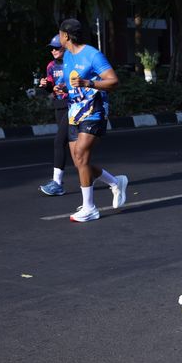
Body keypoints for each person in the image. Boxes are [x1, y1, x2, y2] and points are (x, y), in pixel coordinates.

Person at [59, 18, 128, 223]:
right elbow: (71, 83)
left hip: (94, 110)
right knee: (80, 161)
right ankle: (115, 182)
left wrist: (89, 83)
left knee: (81, 155)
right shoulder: (67, 56)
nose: (59, 37)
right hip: (75, 112)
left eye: (60, 34)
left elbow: (113, 81)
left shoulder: (92, 55)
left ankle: (89, 208)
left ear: (66, 36)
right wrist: (61, 88)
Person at [39, 35, 70, 196]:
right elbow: (51, 86)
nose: (53, 50)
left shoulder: (72, 63)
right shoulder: (51, 65)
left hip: (73, 105)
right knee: (73, 147)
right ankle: (113, 181)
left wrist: (66, 88)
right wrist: (46, 85)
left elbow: (80, 84)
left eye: (56, 47)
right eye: (51, 48)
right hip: (59, 106)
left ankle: (57, 183)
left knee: (59, 141)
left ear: (65, 47)